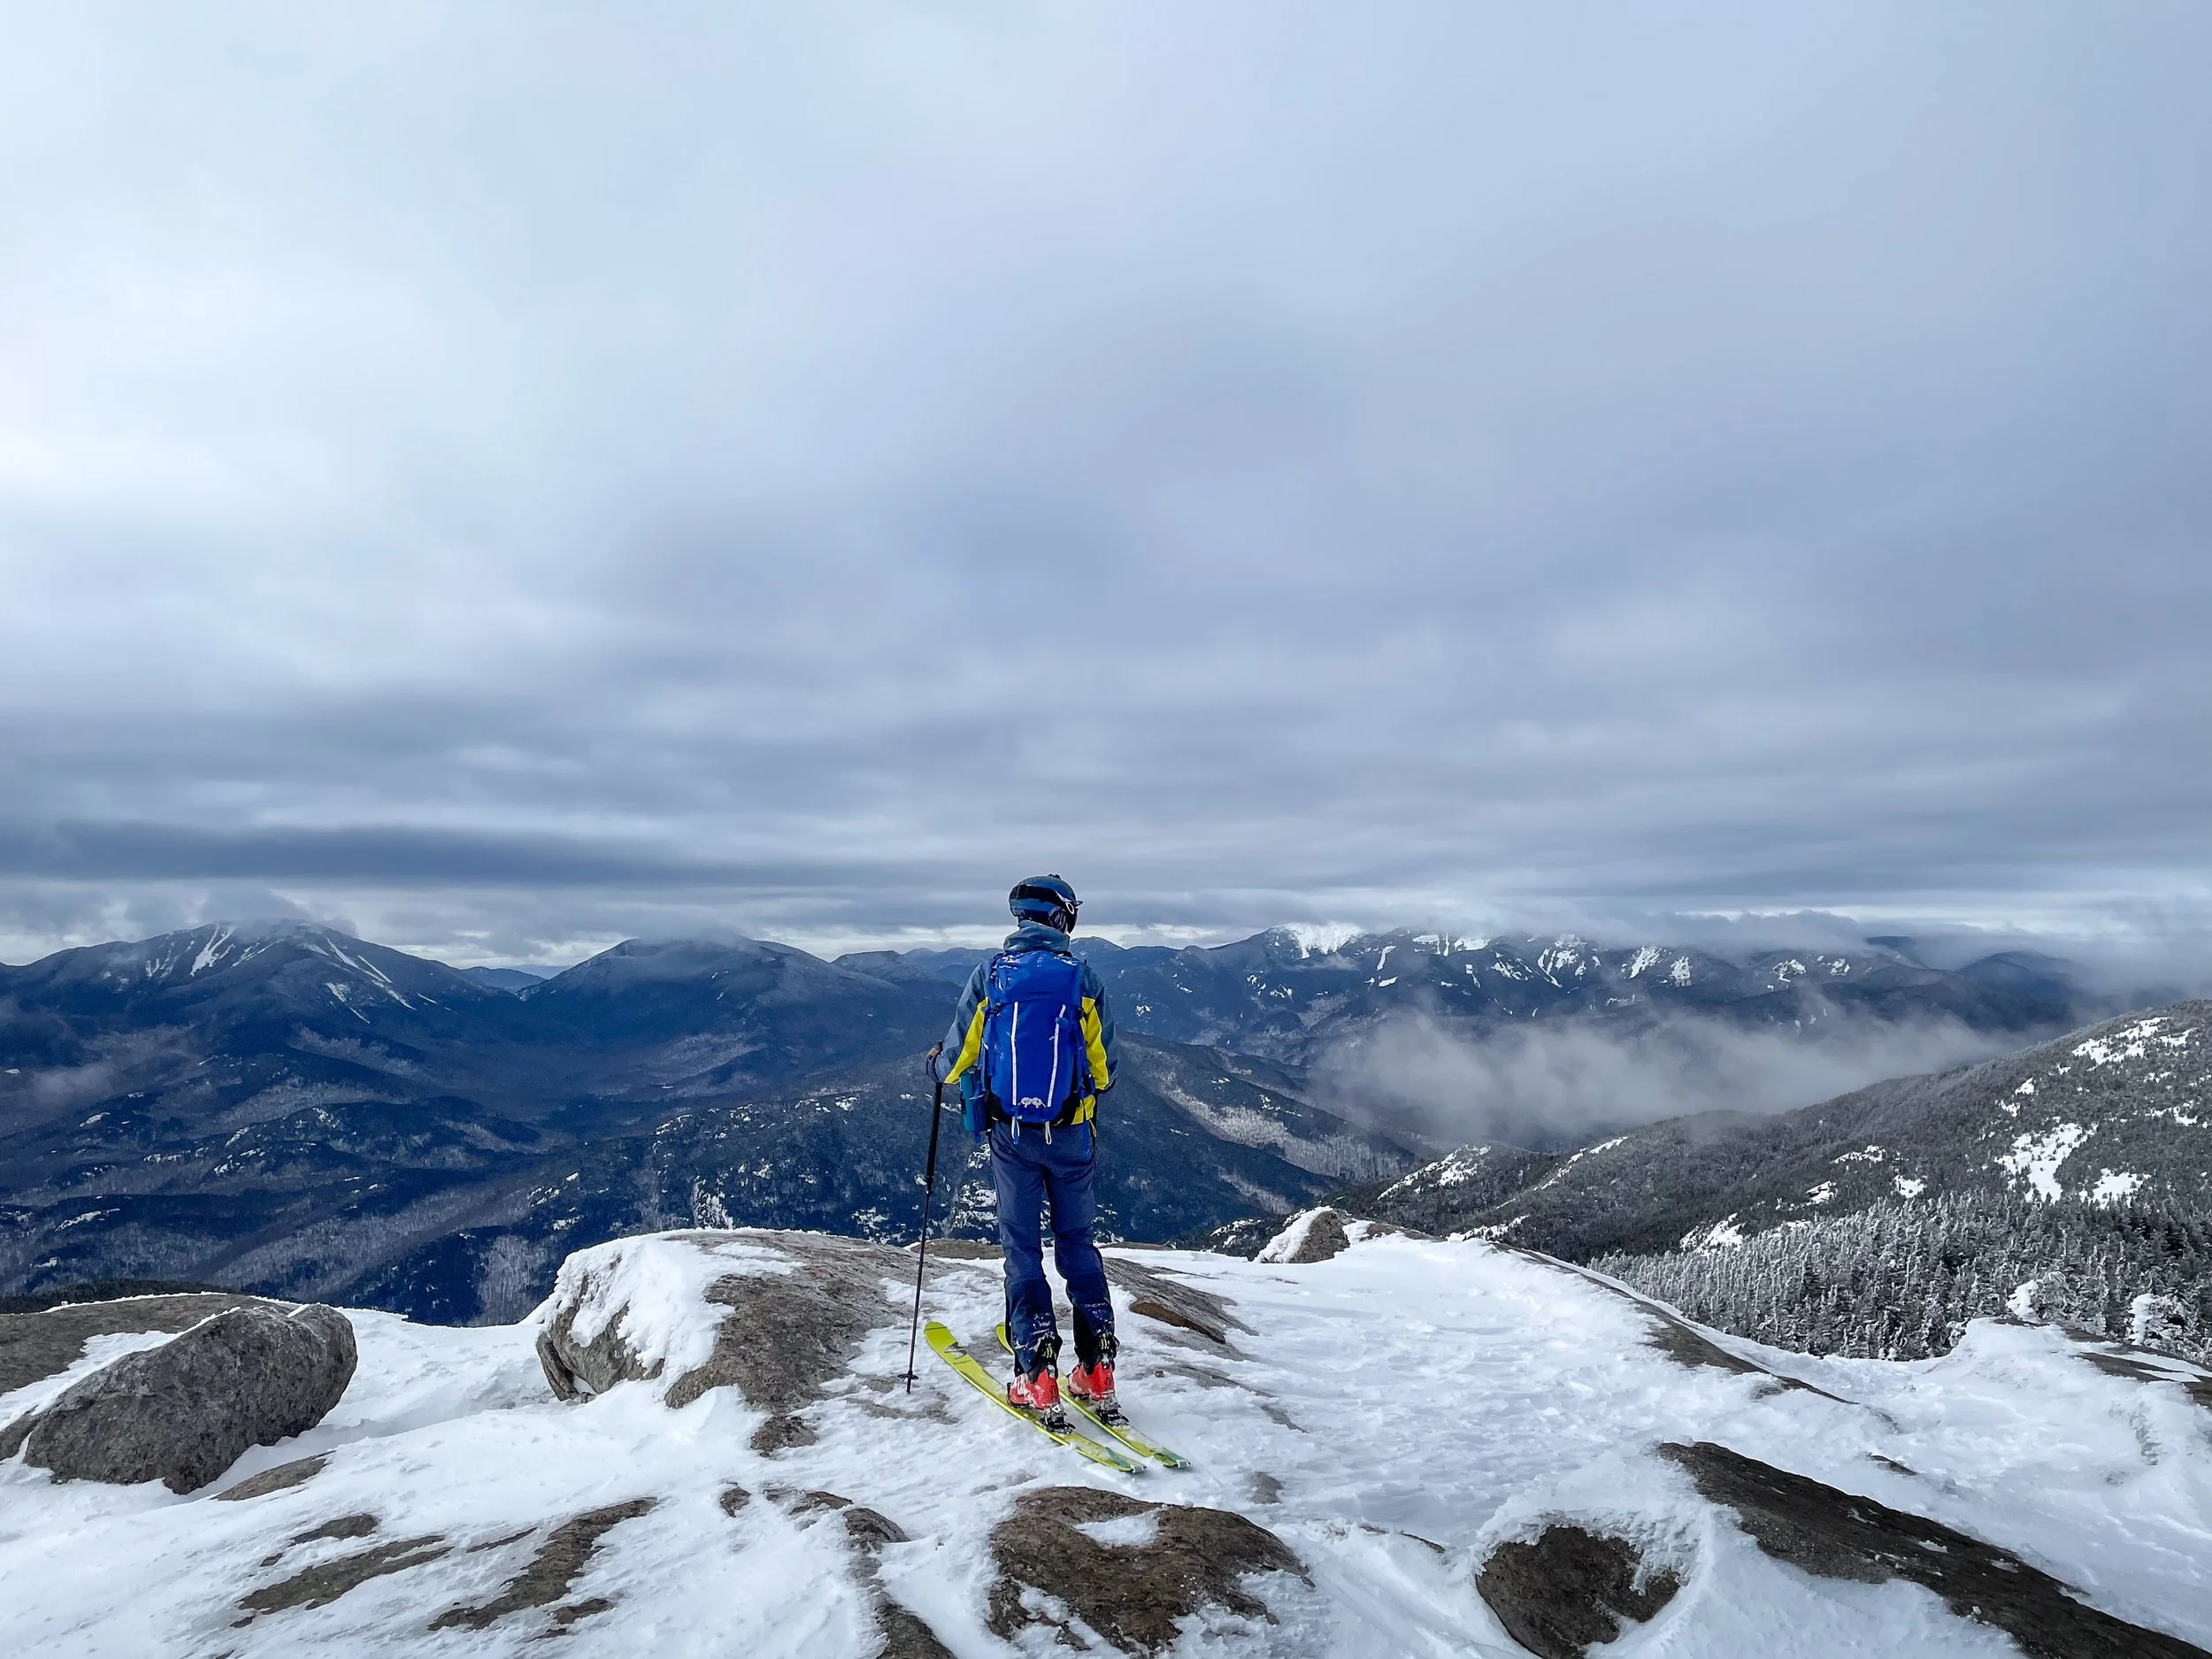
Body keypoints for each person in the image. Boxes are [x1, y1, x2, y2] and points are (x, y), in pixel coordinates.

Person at [931, 874, 1119, 1422]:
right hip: (1073, 1136)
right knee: (1078, 1245)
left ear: (1020, 919)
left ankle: (1036, 1375)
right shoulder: (1083, 978)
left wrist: (935, 1064)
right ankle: (1097, 1367)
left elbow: (958, 1061)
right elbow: (1103, 1071)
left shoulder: (990, 975)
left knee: (1021, 1249)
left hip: (1011, 1138)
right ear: (1064, 918)